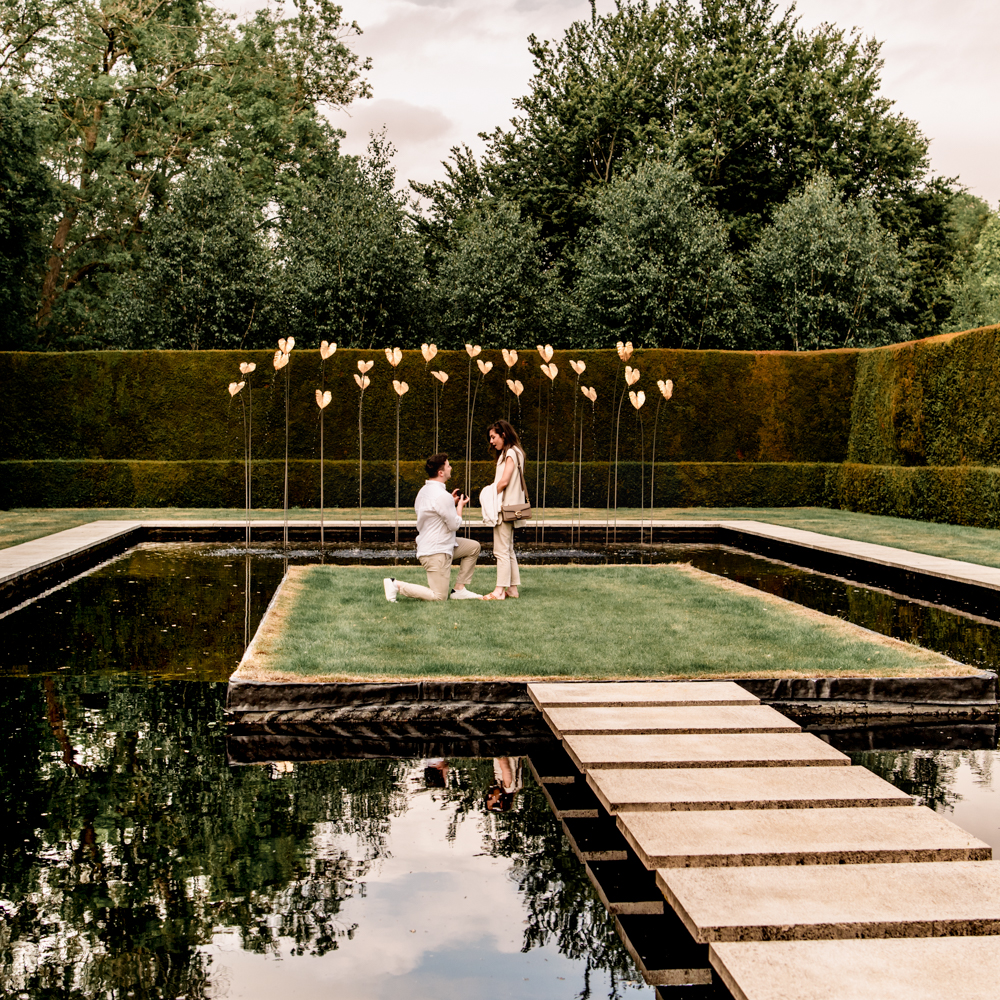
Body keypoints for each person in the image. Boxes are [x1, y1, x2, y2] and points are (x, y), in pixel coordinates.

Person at [383, 453, 483, 602]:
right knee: (439, 597)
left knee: (473, 547)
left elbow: (435, 511)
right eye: (448, 465)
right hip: (436, 552)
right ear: (441, 472)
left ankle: (459, 589)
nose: (451, 468)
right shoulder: (442, 496)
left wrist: (450, 502)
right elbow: (454, 525)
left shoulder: (424, 491)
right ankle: (395, 584)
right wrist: (459, 506)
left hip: (436, 545)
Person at [484, 420, 525, 600]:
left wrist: (487, 494)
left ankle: (499, 591)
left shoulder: (510, 453)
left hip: (504, 508)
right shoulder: (516, 452)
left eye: (494, 437)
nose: (491, 441)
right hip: (512, 507)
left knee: (500, 551)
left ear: (504, 434)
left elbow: (504, 481)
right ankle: (513, 589)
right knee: (508, 550)